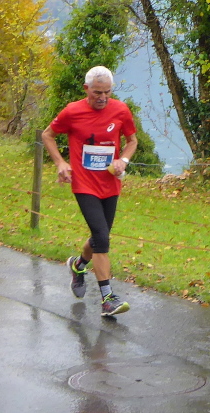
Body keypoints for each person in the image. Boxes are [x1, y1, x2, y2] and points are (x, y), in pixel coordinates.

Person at [41, 66, 137, 317]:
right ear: (86, 89)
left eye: (107, 92)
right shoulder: (72, 111)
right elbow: (47, 135)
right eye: (97, 92)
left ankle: (78, 264)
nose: (102, 97)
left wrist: (123, 161)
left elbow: (132, 140)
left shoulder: (121, 110)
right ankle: (108, 299)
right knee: (102, 238)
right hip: (83, 184)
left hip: (110, 184)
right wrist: (61, 163)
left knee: (99, 237)